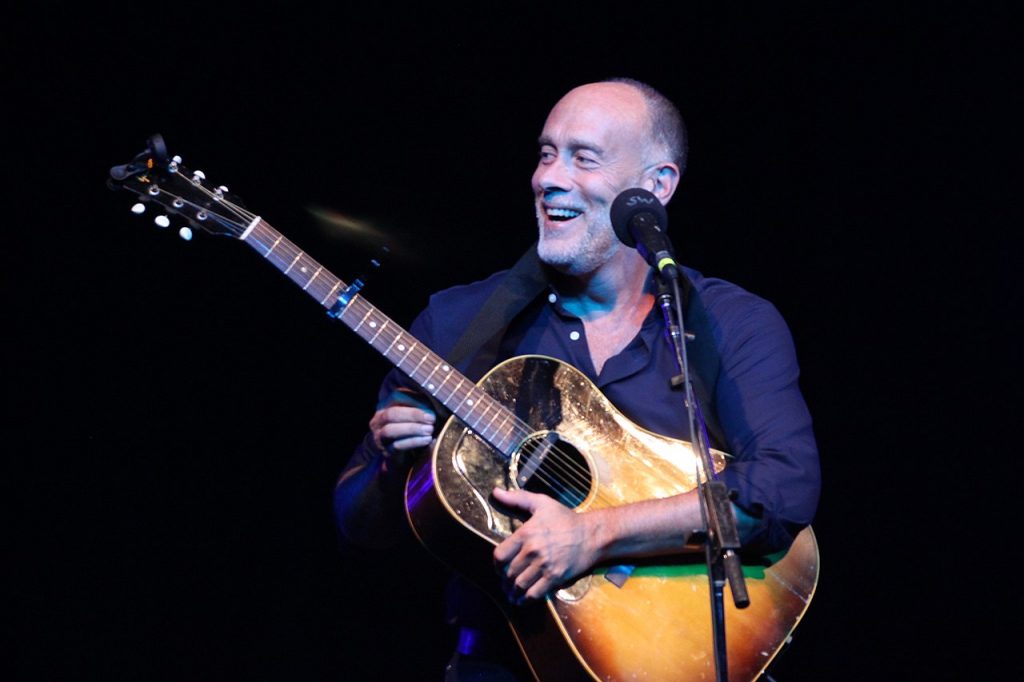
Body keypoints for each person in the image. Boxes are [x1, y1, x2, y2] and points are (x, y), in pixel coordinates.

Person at [333, 77, 820, 681]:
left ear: (656, 186)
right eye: (546, 154)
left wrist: (596, 533)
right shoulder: (460, 323)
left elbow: (784, 488)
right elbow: (358, 531)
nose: (549, 178)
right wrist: (388, 465)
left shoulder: (729, 322)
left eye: (583, 158)